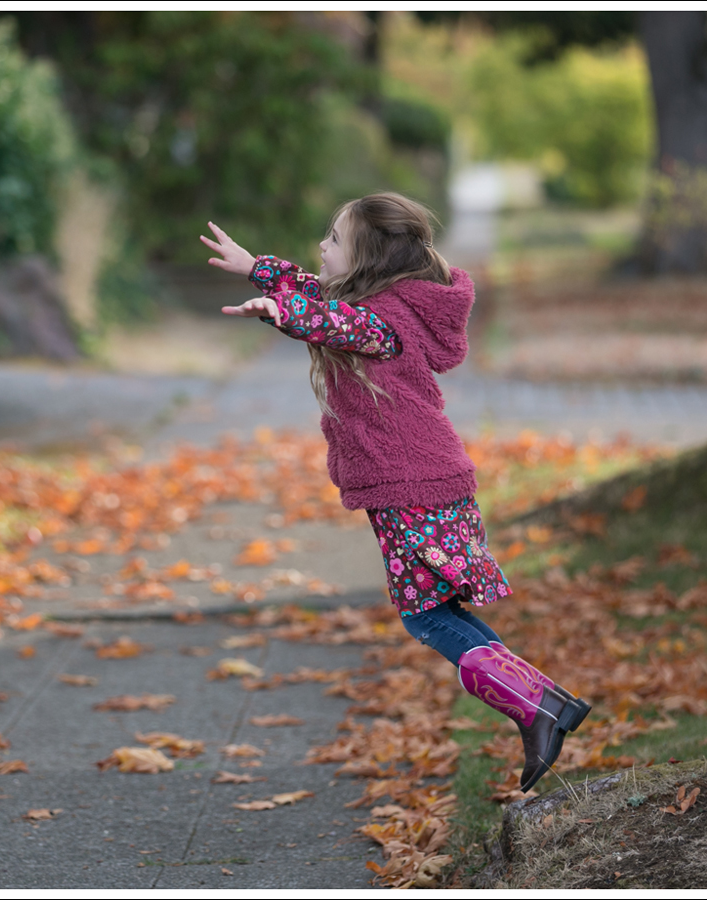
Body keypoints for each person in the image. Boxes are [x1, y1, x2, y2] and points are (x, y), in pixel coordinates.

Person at [200, 192, 589, 792]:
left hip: (414, 483)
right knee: (440, 611)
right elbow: (319, 297)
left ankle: (536, 706)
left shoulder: (383, 322)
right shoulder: (382, 304)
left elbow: (335, 322)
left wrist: (281, 313)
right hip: (420, 478)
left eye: (333, 238)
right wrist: (259, 269)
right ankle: (542, 704)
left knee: (426, 617)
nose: (322, 246)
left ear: (367, 258)